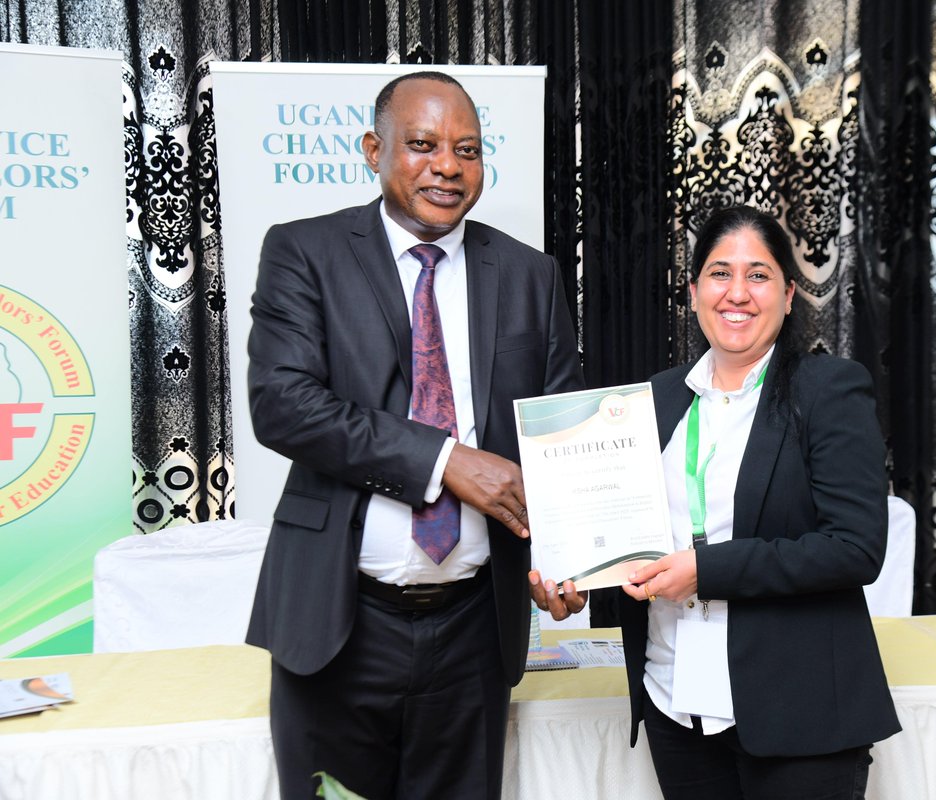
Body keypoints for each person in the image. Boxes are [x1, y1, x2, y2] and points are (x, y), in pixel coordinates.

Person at [245, 71, 585, 799]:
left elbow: (557, 438)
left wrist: (568, 557)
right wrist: (445, 461)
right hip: (339, 621)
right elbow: (283, 404)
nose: (447, 167)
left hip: (474, 629)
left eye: (468, 149)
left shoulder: (530, 275)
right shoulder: (305, 252)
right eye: (423, 145)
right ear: (375, 150)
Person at [617, 206, 901, 799]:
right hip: (675, 704)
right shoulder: (656, 398)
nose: (737, 293)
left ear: (789, 295)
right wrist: (577, 577)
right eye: (720, 273)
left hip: (797, 712)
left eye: (759, 275)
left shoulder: (828, 389)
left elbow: (854, 548)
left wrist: (708, 569)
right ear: (693, 291)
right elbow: (629, 533)